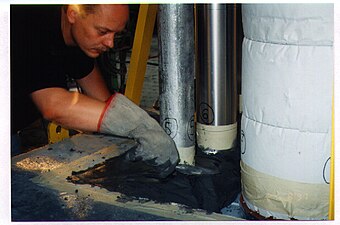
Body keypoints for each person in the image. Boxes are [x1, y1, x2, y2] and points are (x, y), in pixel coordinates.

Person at [10, 4, 179, 178]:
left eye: (115, 34)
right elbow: (55, 106)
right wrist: (138, 125)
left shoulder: (77, 38)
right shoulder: (26, 22)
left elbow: (103, 100)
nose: (110, 43)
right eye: (103, 31)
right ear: (73, 14)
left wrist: (143, 121)